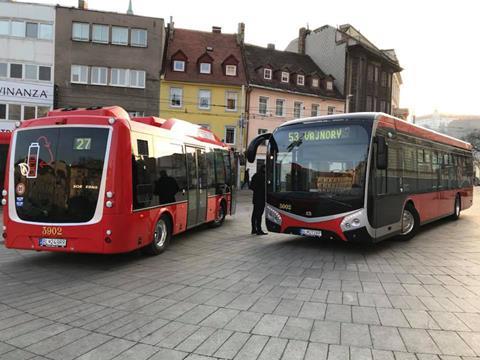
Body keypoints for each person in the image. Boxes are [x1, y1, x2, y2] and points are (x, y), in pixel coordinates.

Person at [250, 165, 267, 235]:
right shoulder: (264, 176)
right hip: (261, 198)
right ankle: (259, 230)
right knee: (259, 214)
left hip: (256, 197)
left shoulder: (255, 175)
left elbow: (251, 186)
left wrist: (256, 190)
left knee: (254, 214)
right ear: (264, 169)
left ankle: (254, 229)